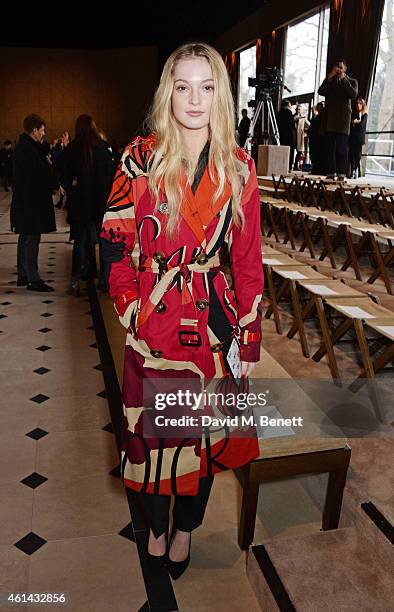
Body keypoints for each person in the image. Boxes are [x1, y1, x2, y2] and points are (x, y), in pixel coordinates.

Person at [100, 42, 264, 579]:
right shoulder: (139, 157)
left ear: (221, 93)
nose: (195, 99)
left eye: (207, 86)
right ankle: (153, 527)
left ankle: (184, 531)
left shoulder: (239, 167)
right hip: (154, 326)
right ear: (167, 92)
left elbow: (247, 261)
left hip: (214, 330)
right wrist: (132, 313)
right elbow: (114, 243)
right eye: (183, 86)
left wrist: (248, 338)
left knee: (204, 447)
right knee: (149, 446)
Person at [63, 115, 114, 296]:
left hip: (80, 202)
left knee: (81, 242)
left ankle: (76, 279)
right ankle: (105, 279)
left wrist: (72, 184)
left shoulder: (72, 148)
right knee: (103, 241)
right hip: (100, 201)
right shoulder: (102, 148)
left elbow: (62, 173)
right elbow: (111, 174)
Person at [10, 114, 57, 292]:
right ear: (34, 130)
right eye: (42, 130)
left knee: (25, 236)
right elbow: (39, 175)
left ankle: (23, 274)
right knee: (31, 238)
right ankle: (33, 279)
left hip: (25, 200)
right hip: (31, 202)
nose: (43, 133)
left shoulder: (26, 147)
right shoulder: (28, 150)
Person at [318, 59, 358, 180]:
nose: (339, 69)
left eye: (341, 67)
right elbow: (321, 91)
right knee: (329, 147)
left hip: (343, 119)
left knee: (342, 148)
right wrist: (329, 77)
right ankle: (331, 172)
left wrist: (343, 79)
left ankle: (341, 173)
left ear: (345, 69)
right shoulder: (330, 82)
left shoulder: (351, 81)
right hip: (330, 118)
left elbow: (353, 94)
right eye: (337, 67)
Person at [349, 98, 368, 179]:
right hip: (353, 137)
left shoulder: (365, 115)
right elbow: (351, 125)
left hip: (359, 138)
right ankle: (352, 170)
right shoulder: (354, 114)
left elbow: (362, 125)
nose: (358, 105)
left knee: (357, 155)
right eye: (357, 103)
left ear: (363, 105)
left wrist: (355, 123)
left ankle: (355, 170)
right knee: (352, 155)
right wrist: (354, 123)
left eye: (360, 104)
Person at [276, 100, 296, 170]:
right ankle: (289, 167)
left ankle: (280, 166)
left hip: (280, 135)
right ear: (287, 106)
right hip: (288, 135)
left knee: (281, 150)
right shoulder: (289, 113)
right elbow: (292, 125)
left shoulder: (278, 113)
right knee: (289, 151)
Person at [308, 102, 326, 175]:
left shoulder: (321, 118)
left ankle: (317, 169)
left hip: (319, 138)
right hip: (314, 138)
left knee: (317, 154)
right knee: (313, 154)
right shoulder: (316, 117)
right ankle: (315, 168)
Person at [293, 104, 310, 171]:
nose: (298, 111)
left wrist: (306, 130)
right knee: (293, 151)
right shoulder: (295, 117)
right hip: (294, 136)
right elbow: (295, 119)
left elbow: (309, 124)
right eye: (297, 109)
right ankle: (293, 165)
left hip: (300, 136)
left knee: (299, 152)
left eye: (300, 109)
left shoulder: (303, 118)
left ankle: (296, 165)